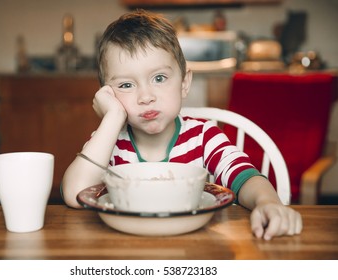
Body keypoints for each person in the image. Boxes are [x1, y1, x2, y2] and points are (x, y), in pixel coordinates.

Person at [62, 9, 302, 240]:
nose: (145, 97)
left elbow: (245, 176)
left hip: (198, 246)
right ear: (108, 95)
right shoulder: (108, 141)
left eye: (159, 78)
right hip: (127, 248)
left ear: (184, 83)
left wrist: (267, 202)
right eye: (126, 85)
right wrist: (112, 118)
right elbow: (75, 194)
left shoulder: (204, 136)